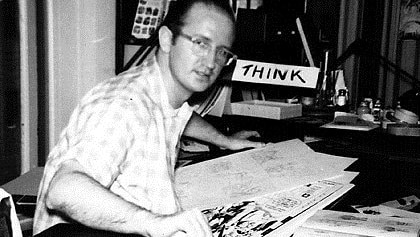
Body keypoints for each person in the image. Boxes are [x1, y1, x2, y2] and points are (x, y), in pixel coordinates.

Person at [33, 0, 265, 236]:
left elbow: (181, 116)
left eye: (222, 52)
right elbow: (63, 190)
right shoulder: (123, 105)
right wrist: (154, 223)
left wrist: (225, 141)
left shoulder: (160, 92)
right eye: (200, 44)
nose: (211, 62)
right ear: (166, 39)